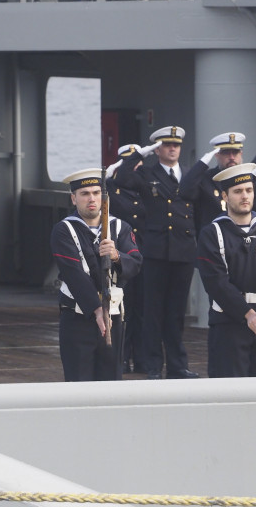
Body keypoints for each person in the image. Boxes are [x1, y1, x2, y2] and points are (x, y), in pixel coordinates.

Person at [114, 126, 199, 379]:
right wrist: (142, 153)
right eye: (166, 145)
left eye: (176, 145)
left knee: (175, 313)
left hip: (183, 251)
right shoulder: (148, 173)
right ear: (158, 149)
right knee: (153, 312)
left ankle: (177, 365)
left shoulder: (188, 175)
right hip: (156, 251)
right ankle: (152, 365)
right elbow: (122, 178)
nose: (172, 149)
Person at [196, 163, 256, 378]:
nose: (245, 196)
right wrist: (246, 313)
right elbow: (215, 282)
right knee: (230, 388)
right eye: (238, 191)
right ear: (225, 196)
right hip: (229, 320)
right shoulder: (213, 232)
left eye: (249, 190)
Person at [52, 169, 142, 381]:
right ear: (74, 198)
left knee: (111, 382)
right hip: (78, 318)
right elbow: (73, 273)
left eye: (96, 192)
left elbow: (136, 261)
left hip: (113, 316)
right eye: (84, 194)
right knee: (79, 382)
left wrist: (117, 255)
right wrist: (96, 309)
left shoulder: (119, 227)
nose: (91, 199)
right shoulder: (64, 230)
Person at [107, 143, 148, 374]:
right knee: (123, 307)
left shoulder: (146, 187)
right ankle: (122, 357)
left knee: (142, 309)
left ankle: (141, 357)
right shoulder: (111, 187)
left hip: (142, 254)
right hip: (122, 254)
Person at [182, 131, 246, 231]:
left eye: (235, 152)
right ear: (217, 154)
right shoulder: (206, 178)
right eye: (226, 153)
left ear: (241, 154)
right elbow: (185, 191)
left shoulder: (247, 179)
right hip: (213, 238)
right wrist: (203, 163)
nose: (232, 157)